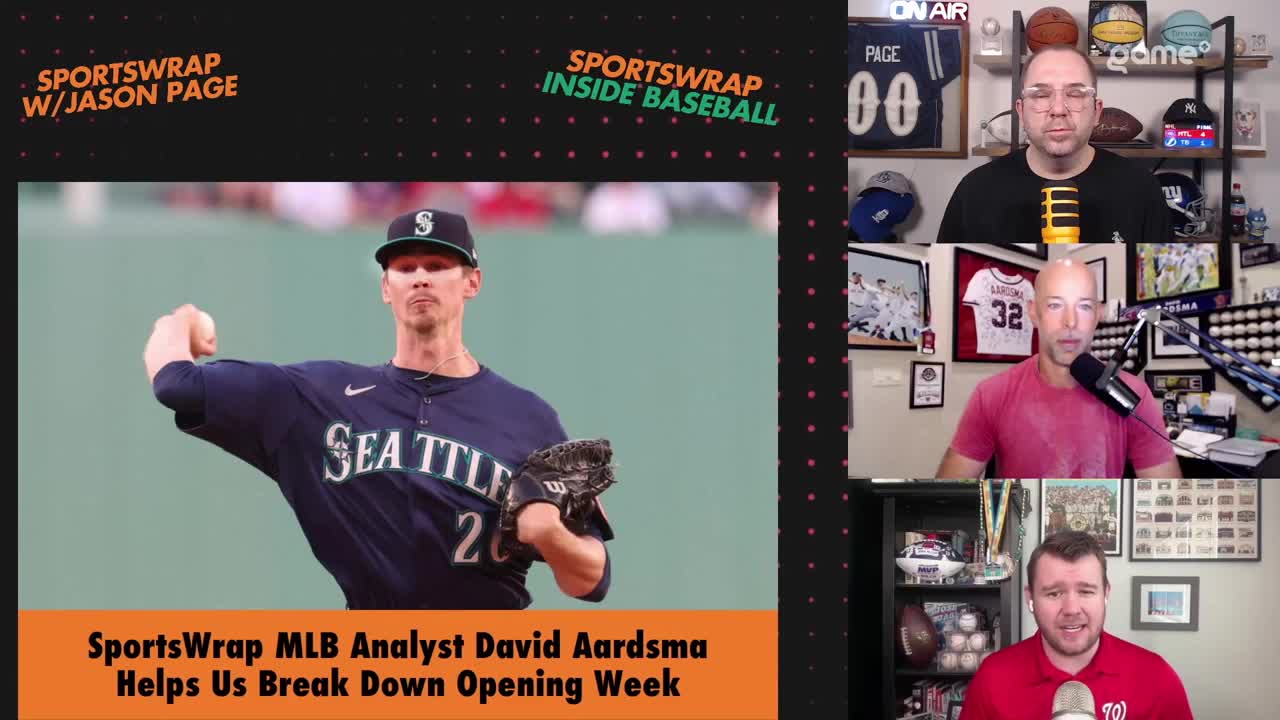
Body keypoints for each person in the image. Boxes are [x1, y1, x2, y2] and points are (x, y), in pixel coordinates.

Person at [143, 209, 613, 609]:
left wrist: (551, 535)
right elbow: (176, 385)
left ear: (472, 282)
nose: (421, 276)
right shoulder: (316, 398)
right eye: (404, 267)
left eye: (438, 263)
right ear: (387, 287)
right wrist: (177, 321)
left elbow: (592, 581)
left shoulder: (528, 417)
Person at [935, 258, 1180, 478]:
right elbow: (945, 501)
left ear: (1096, 315)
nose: (1070, 322)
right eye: (1055, 305)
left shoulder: (1131, 395)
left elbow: (1168, 504)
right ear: (1033, 312)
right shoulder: (992, 394)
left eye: (1084, 306)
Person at [938, 45, 1170, 244]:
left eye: (1076, 94)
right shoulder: (974, 191)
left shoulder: (1141, 189)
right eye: (1040, 95)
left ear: (1097, 111)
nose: (1058, 109)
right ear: (1021, 111)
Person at [959, 531, 1194, 719]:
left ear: (1105, 594)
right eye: (1054, 593)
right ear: (1030, 598)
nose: (1071, 609)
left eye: (1086, 591)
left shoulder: (1156, 676)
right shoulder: (993, 678)